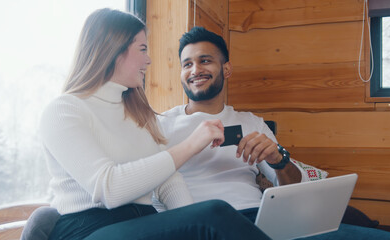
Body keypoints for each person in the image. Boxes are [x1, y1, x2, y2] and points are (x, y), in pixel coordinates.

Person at [39, 9, 270, 240]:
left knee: (211, 217)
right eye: (142, 49)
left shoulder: (138, 113)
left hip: (142, 222)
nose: (148, 59)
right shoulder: (64, 110)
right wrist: (191, 144)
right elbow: (109, 188)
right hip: (90, 229)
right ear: (114, 50)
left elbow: (168, 182)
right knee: (215, 212)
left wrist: (193, 221)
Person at [157, 26, 390, 239]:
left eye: (205, 60)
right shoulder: (161, 124)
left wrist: (279, 159)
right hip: (202, 224)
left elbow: (290, 190)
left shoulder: (251, 123)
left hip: (260, 221)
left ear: (227, 69)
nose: (195, 70)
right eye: (187, 64)